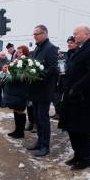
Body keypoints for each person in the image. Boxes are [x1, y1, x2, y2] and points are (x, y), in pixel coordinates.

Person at [58, 26, 90, 170]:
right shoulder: (81, 48)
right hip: (73, 96)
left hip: (84, 98)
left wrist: (75, 88)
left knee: (83, 130)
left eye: (76, 33)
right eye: (74, 33)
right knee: (73, 128)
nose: (74, 36)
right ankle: (77, 155)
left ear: (86, 34)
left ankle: (85, 159)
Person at [27, 25, 59, 157]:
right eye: (34, 34)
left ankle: (45, 145)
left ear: (45, 33)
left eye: (37, 34)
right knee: (37, 118)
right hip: (35, 90)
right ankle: (39, 141)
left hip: (45, 90)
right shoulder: (37, 48)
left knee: (43, 118)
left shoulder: (50, 48)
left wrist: (37, 75)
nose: (35, 36)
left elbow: (53, 69)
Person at [2, 45, 31, 139]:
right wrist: (6, 71)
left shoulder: (26, 63)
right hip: (14, 91)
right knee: (15, 110)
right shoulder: (16, 61)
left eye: (20, 52)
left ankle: (20, 132)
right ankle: (17, 130)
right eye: (17, 52)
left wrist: (10, 74)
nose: (18, 54)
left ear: (25, 53)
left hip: (21, 91)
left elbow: (21, 77)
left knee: (20, 111)